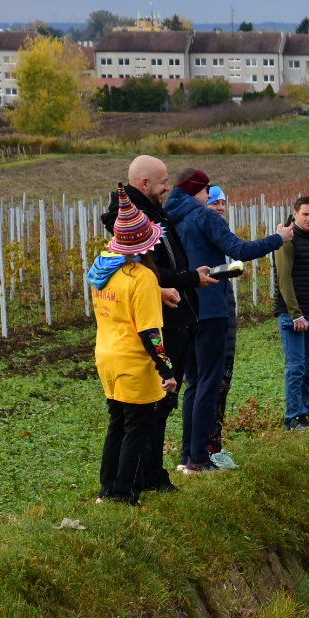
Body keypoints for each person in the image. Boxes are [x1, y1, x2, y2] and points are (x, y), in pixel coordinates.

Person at [165, 168, 289, 473]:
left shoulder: (170, 218)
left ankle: (187, 456)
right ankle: (199, 459)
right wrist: (279, 238)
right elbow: (239, 250)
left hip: (185, 308)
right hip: (211, 307)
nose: (210, 196)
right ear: (197, 190)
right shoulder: (204, 217)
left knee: (194, 383)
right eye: (207, 190)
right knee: (210, 382)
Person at [105, 155, 213, 492]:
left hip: (135, 340)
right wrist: (183, 281)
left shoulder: (151, 212)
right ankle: (134, 482)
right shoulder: (133, 224)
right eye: (164, 181)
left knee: (143, 413)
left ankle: (127, 482)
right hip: (155, 330)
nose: (169, 187)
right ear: (144, 183)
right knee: (148, 409)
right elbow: (145, 273)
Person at [89, 193, 175, 505]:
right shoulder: (142, 278)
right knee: (137, 428)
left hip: (106, 356)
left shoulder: (102, 267)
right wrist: (166, 368)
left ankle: (108, 487)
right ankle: (124, 493)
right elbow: (150, 332)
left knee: (117, 424)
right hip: (133, 362)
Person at [274, 196, 309, 430]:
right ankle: (294, 416)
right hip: (293, 316)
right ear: (295, 213)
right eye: (305, 214)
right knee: (296, 367)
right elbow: (284, 279)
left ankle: (305, 411)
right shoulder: (287, 241)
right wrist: (295, 314)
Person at [203, 185, 241, 470]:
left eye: (222, 203)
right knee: (209, 387)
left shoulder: (218, 238)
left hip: (226, 318)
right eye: (213, 203)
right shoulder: (202, 236)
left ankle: (215, 445)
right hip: (211, 320)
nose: (219, 208)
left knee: (223, 386)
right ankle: (204, 449)